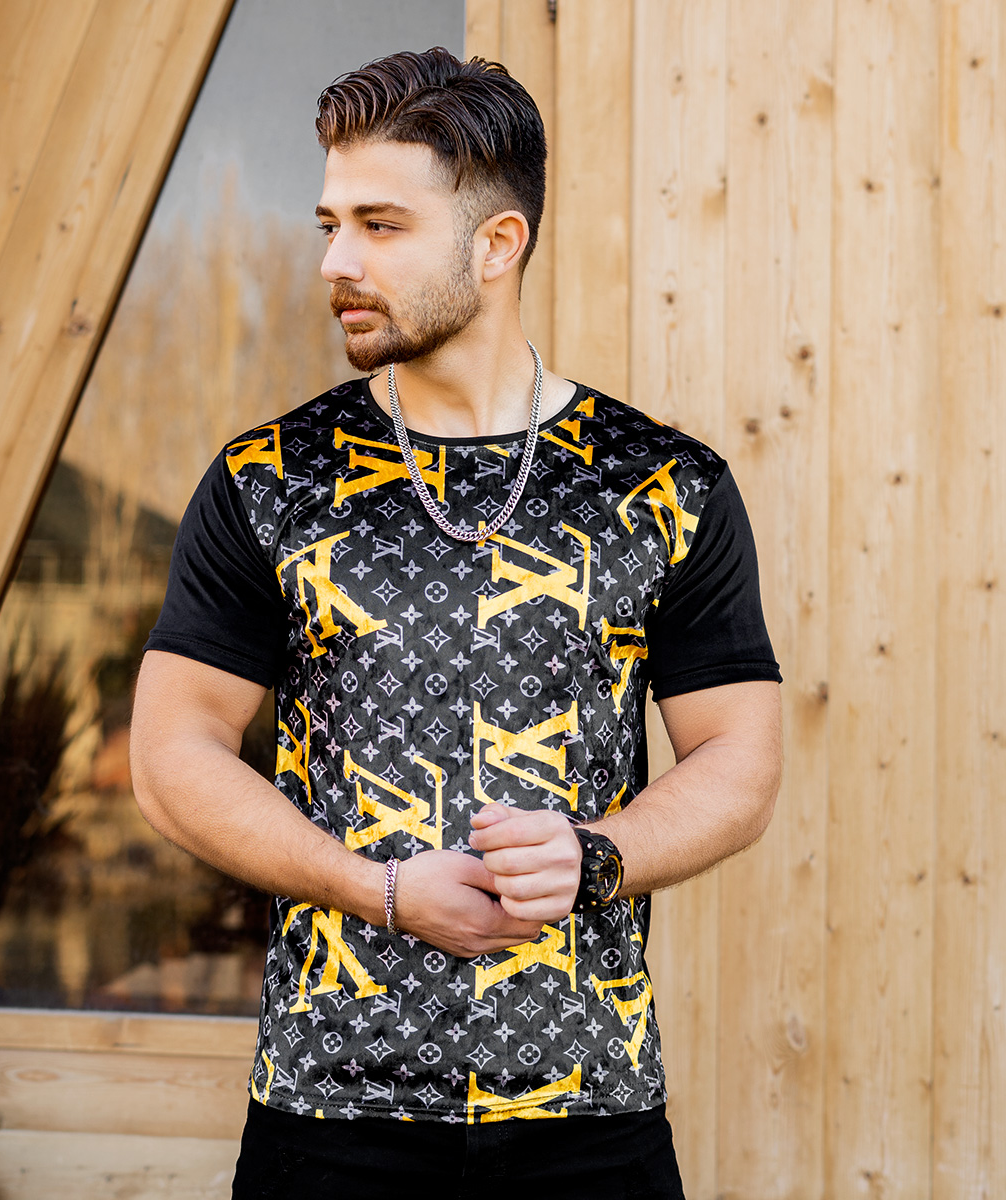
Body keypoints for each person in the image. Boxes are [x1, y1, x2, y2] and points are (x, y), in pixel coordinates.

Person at [130, 47, 781, 1200]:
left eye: (380, 225)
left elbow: (740, 758)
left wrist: (596, 858)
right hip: (329, 1112)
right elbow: (170, 756)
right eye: (330, 223)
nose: (336, 261)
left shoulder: (661, 486)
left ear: (497, 244)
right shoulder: (270, 481)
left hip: (588, 1109)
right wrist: (372, 889)